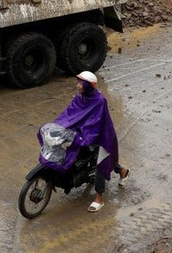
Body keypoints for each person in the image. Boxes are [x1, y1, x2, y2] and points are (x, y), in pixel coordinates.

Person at [50, 71, 129, 212]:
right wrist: (57, 125)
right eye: (78, 82)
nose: (78, 85)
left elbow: (97, 122)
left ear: (88, 85)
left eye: (81, 83)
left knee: (101, 163)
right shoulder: (80, 97)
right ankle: (122, 171)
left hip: (101, 135)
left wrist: (86, 134)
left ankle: (99, 198)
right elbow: (69, 113)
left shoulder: (99, 100)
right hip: (84, 134)